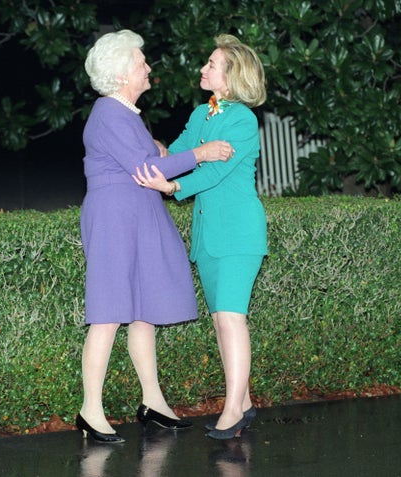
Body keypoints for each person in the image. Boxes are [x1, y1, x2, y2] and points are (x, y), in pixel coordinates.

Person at [76, 29, 235, 444]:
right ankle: (90, 410)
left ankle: (154, 403)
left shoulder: (123, 112)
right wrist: (201, 153)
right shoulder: (109, 112)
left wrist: (160, 148)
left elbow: (148, 156)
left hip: (138, 215)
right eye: (141, 62)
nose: (148, 67)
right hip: (115, 218)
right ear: (123, 72)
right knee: (108, 314)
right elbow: (147, 171)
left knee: (143, 310)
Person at [133, 34, 268, 440]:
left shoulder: (242, 120)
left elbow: (214, 172)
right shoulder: (202, 113)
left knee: (231, 318)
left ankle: (232, 411)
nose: (203, 69)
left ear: (231, 76)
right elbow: (178, 153)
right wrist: (147, 146)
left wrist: (173, 189)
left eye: (211, 64)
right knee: (222, 320)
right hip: (209, 237)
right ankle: (242, 402)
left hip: (239, 234)